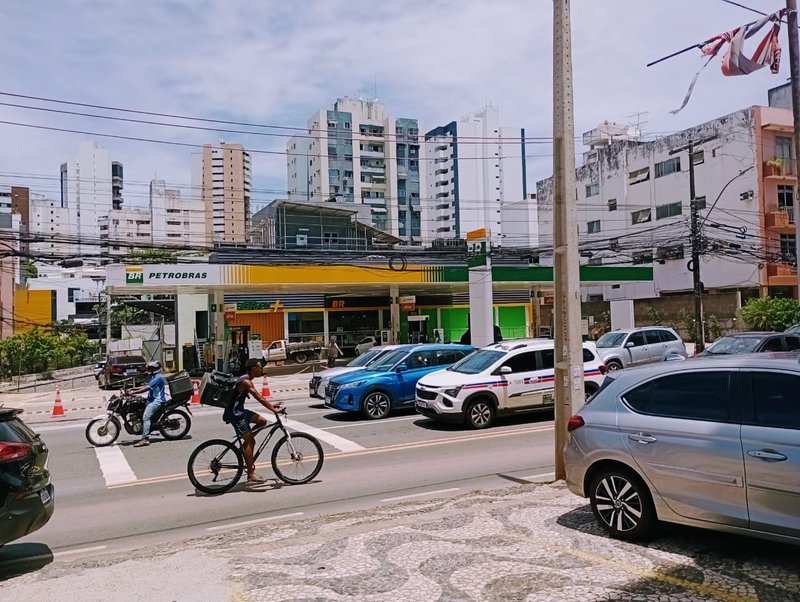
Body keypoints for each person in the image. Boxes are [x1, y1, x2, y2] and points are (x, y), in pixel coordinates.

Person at [223, 358, 284, 483]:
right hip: (235, 414)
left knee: (262, 421)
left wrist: (272, 405)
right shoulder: (246, 381)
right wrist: (272, 409)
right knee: (251, 441)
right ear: (253, 368)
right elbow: (259, 398)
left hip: (240, 411)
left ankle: (245, 447)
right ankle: (250, 474)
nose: (261, 369)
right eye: (260, 367)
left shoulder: (247, 379)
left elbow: (260, 398)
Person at [132, 361, 167, 447]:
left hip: (157, 401)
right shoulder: (154, 377)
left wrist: (133, 392)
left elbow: (146, 389)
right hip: (151, 400)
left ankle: (145, 439)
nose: (149, 370)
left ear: (154, 369)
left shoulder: (158, 378)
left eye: (150, 369)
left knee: (146, 417)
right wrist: (132, 389)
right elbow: (145, 386)